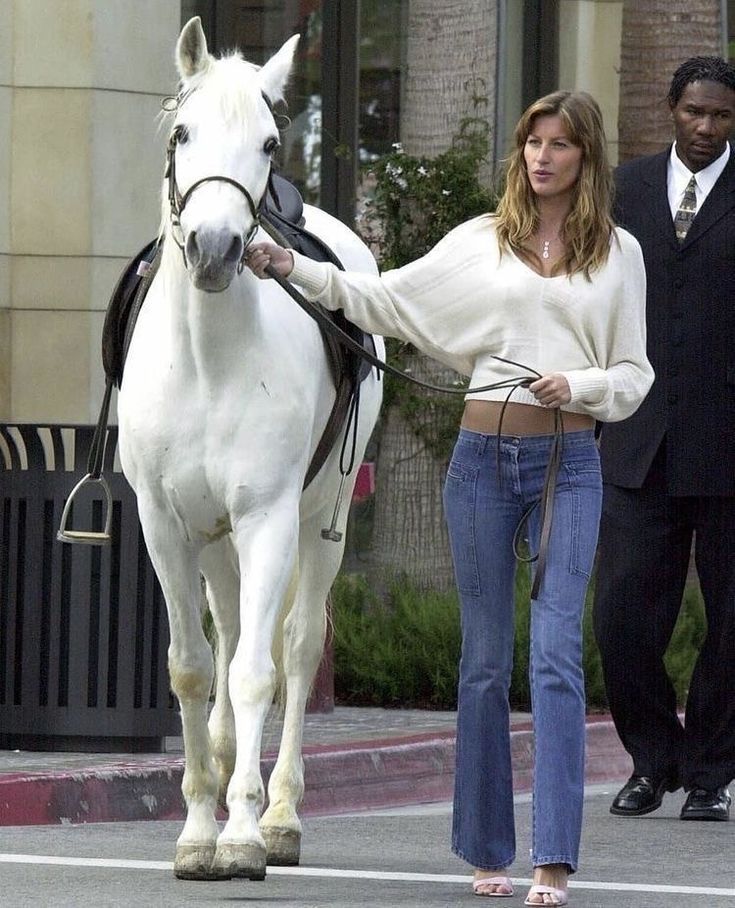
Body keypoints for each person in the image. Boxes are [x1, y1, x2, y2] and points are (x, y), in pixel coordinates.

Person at [247, 91, 653, 906]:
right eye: (532, 142)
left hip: (565, 463)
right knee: (481, 664)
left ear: (586, 157)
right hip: (478, 462)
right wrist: (295, 266)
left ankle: (552, 860)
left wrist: (576, 382)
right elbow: (385, 299)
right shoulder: (480, 242)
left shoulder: (617, 253)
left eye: (559, 145)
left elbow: (635, 376)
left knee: (554, 659)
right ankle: (485, 849)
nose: (541, 157)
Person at [593, 56, 735, 823]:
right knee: (619, 614)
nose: (706, 128)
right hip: (636, 437)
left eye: (719, 116)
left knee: (731, 622)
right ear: (670, 108)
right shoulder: (623, 191)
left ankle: (712, 771)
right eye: (694, 113)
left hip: (727, 444)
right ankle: (653, 760)